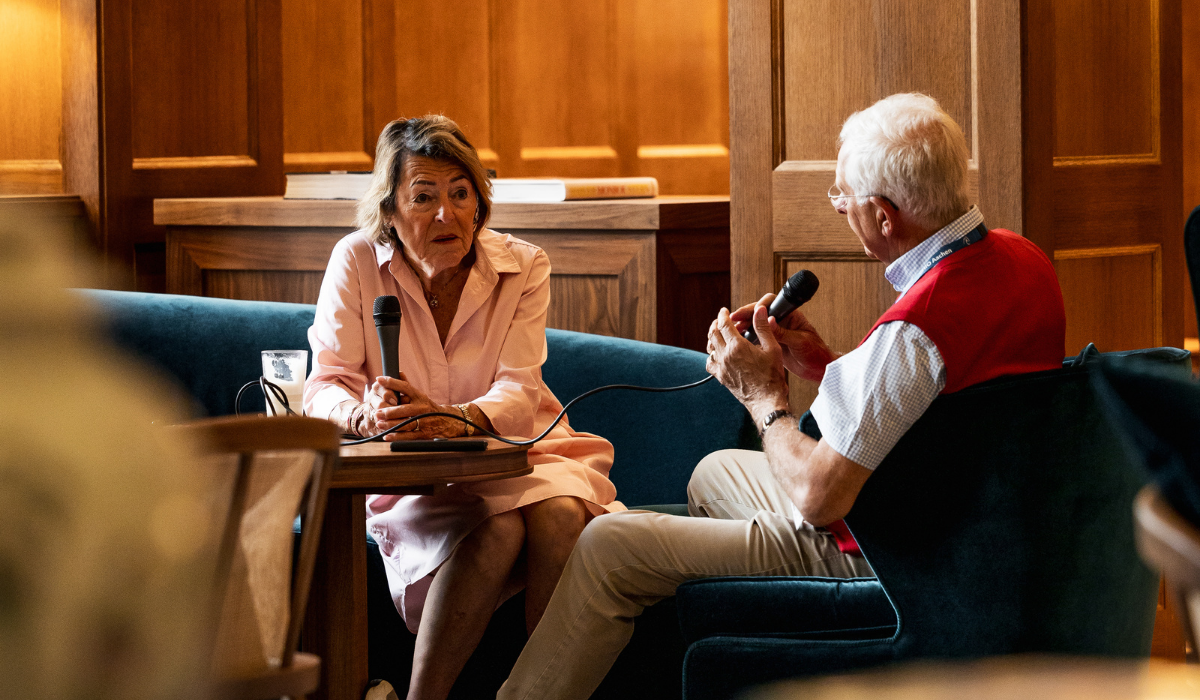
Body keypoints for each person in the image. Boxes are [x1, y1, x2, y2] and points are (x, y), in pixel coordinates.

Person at [497, 93, 1067, 699]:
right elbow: (935, 397)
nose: (840, 209)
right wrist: (826, 366)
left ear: (882, 215)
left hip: (897, 548)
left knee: (610, 545)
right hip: (973, 516)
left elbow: (821, 499)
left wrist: (764, 395)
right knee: (715, 471)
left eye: (842, 198)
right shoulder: (1018, 257)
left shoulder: (916, 326)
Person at [303, 116, 624, 700]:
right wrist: (360, 415)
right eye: (423, 197)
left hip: (520, 451)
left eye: (461, 194)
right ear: (391, 212)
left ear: (479, 201)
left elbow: (519, 393)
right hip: (412, 474)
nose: (447, 215)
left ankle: (537, 692)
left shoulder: (523, 265)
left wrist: (450, 418)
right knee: (497, 529)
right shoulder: (355, 261)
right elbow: (324, 382)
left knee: (558, 514)